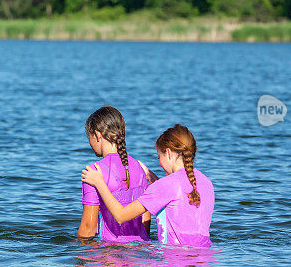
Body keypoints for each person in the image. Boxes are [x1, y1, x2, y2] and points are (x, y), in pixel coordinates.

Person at [81, 124, 214, 247]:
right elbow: (178, 198)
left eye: (158, 157)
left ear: (168, 152)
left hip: (176, 263)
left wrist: (99, 182)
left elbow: (120, 216)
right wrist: (151, 176)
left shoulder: (165, 185)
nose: (160, 163)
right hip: (206, 262)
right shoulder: (206, 182)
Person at [78, 106, 158, 243]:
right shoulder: (140, 168)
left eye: (89, 137)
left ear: (98, 135)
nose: (89, 143)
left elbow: (88, 228)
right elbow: (146, 219)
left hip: (110, 253)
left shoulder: (94, 172)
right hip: (141, 254)